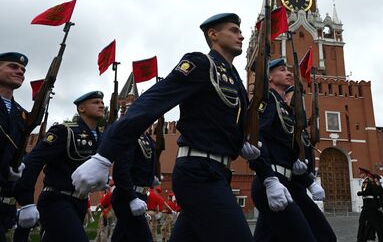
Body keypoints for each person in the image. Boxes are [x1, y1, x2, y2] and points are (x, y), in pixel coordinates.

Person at [72, 13, 259, 241]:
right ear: (213, 35)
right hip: (199, 171)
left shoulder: (234, 78)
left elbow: (221, 120)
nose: (241, 35)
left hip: (219, 171)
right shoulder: (201, 64)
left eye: (240, 31)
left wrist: (240, 142)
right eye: (233, 30)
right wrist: (104, 155)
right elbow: (152, 101)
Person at [15, 91, 105, 241]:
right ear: (81, 108)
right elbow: (33, 162)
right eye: (95, 102)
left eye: (102, 102)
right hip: (57, 200)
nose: (101, 105)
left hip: (80, 202)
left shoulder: (100, 137)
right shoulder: (65, 130)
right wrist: (26, 202)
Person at [249, 58, 317, 242]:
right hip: (271, 179)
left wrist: (301, 168)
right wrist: (269, 178)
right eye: (282, 70)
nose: (288, 73)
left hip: (285, 181)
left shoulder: (283, 108)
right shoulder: (268, 100)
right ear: (269, 77)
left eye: (288, 69)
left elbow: (281, 143)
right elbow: (256, 135)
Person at [282, 85, 336, 242]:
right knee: (322, 235)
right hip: (288, 185)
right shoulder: (285, 122)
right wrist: (309, 181)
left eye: (301, 98)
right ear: (285, 98)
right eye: (295, 96)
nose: (300, 101)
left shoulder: (300, 126)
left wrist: (310, 172)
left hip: (298, 186)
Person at [0, 52, 28, 242]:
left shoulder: (22, 114)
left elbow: (19, 148)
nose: (20, 71)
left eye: (23, 70)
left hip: (5, 205)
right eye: (13, 66)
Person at [110, 131, 156, 242]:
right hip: (128, 197)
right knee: (144, 238)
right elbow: (121, 170)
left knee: (122, 237)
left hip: (140, 195)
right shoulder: (131, 135)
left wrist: (150, 179)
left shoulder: (147, 137)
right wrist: (131, 198)